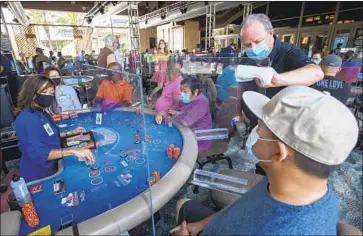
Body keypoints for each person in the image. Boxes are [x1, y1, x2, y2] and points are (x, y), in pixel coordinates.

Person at [171, 86, 358, 236]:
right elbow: (241, 208)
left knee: (181, 205)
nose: (254, 133)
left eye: (259, 128)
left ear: (279, 153)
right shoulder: (292, 184)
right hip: (222, 224)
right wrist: (203, 224)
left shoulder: (278, 229)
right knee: (183, 204)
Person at [14, 75, 95, 183]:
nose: (48, 96)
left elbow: (49, 135)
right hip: (39, 175)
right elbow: (38, 153)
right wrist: (72, 151)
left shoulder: (41, 112)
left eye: (51, 93)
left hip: (53, 167)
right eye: (44, 92)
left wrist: (71, 133)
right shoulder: (26, 118)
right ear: (32, 92)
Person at [156, 77, 212, 152]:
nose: (182, 94)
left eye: (185, 91)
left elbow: (185, 122)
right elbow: (172, 110)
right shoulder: (186, 99)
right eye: (181, 91)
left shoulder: (202, 103)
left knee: (168, 147)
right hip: (186, 132)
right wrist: (162, 114)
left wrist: (177, 114)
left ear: (195, 92)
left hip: (198, 139)